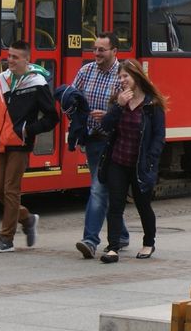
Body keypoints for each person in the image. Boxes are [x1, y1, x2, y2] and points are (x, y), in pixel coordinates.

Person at [0, 40, 58, 252]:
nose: (10, 60)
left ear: (27, 59)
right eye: (9, 56)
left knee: (11, 191)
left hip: (19, 144)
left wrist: (28, 131)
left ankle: (6, 239)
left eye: (15, 57)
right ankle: (27, 219)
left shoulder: (37, 83)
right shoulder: (3, 78)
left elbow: (52, 117)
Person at [98, 58, 167, 263]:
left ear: (136, 76)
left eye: (125, 76)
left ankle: (149, 242)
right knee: (115, 205)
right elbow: (106, 126)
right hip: (118, 161)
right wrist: (118, 106)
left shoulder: (152, 104)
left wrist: (151, 161)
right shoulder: (118, 101)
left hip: (140, 164)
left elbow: (158, 137)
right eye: (120, 76)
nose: (122, 80)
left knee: (143, 204)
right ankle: (113, 247)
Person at [72, 31, 128, 259]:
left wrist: (107, 115)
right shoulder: (86, 71)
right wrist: (76, 124)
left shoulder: (123, 76)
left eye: (101, 50)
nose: (96, 53)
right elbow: (73, 99)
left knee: (98, 188)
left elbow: (133, 110)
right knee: (102, 188)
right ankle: (122, 235)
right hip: (93, 140)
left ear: (114, 51)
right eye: (94, 49)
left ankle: (90, 240)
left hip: (113, 140)